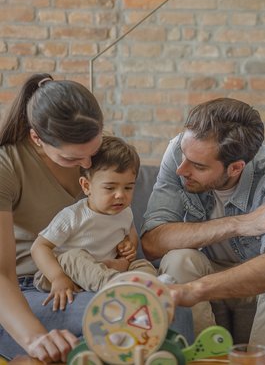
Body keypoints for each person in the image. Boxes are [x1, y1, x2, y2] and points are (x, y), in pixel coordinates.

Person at [141, 97, 265, 354]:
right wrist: (241, 223)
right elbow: (152, 242)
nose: (182, 169)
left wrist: (195, 290)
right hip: (208, 266)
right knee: (178, 259)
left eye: (198, 166)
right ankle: (208, 359)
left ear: (236, 168)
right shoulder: (180, 152)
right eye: (183, 156)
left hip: (258, 273)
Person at [0, 73, 103, 361]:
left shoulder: (95, 152)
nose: (87, 165)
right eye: (71, 159)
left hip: (86, 280)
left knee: (169, 308)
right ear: (37, 138)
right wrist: (35, 338)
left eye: (93, 151)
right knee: (117, 318)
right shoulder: (7, 166)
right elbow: (1, 274)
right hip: (27, 291)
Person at [31, 135, 157, 305]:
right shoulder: (73, 216)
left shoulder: (125, 212)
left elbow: (131, 234)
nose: (120, 195)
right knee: (73, 256)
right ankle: (119, 287)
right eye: (110, 188)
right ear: (86, 186)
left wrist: (128, 246)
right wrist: (57, 277)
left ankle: (149, 288)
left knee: (143, 265)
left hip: (107, 267)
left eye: (128, 187)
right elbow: (39, 247)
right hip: (66, 272)